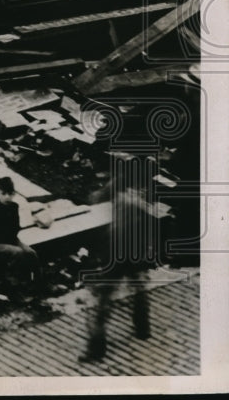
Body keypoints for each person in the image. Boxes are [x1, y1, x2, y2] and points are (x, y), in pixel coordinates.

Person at [80, 155, 160, 362]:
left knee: (103, 299)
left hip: (116, 250)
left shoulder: (121, 184)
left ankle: (96, 349)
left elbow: (97, 197)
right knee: (139, 287)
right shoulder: (149, 191)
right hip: (137, 250)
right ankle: (143, 329)